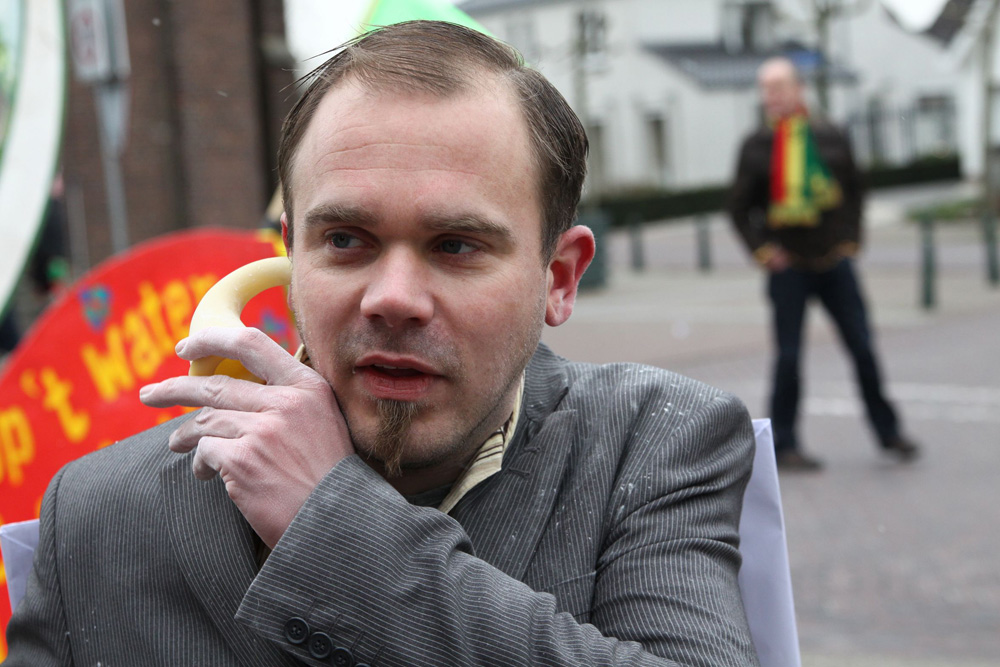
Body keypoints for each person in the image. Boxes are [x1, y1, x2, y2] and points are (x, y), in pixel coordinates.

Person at [5, 21, 759, 666]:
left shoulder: (652, 444)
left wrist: (334, 527)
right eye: (344, 239)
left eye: (456, 245)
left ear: (558, 278)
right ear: (291, 254)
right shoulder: (97, 512)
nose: (393, 297)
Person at [728, 56, 919, 471]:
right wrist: (764, 251)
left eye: (779, 87)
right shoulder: (756, 146)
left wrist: (851, 240)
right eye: (765, 89)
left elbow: (855, 190)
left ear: (799, 89)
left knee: (862, 348)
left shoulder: (830, 135)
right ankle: (785, 444)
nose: (771, 96)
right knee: (789, 357)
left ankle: (888, 431)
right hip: (789, 269)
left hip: (834, 263)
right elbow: (739, 210)